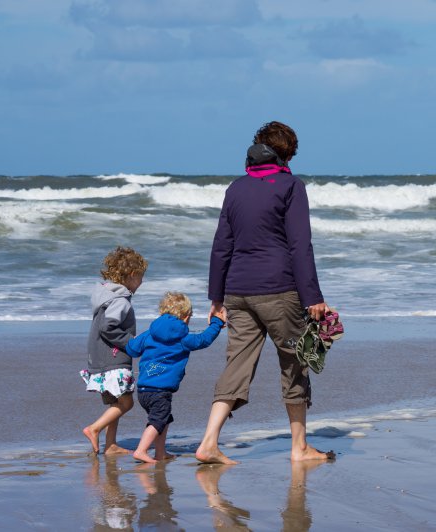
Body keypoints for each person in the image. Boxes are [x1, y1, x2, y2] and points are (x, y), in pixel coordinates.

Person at [195, 120, 333, 464]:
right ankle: (299, 447)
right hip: (279, 290)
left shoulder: (236, 188)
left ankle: (209, 441)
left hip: (237, 292)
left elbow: (220, 246)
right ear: (287, 154)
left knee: (237, 364)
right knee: (295, 362)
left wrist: (215, 297)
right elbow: (300, 246)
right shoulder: (290, 186)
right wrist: (313, 296)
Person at [127, 292, 224, 463]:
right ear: (186, 317)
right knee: (158, 420)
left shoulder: (150, 333)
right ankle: (141, 450)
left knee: (162, 419)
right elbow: (204, 339)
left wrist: (128, 341)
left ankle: (160, 452)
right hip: (160, 391)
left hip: (143, 389)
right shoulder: (183, 338)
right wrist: (217, 322)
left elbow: (133, 349)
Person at [81, 246, 147, 454]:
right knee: (126, 403)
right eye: (141, 278)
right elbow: (108, 327)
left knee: (116, 402)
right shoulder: (120, 301)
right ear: (132, 275)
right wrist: (131, 343)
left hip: (99, 358)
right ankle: (94, 428)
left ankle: (111, 445)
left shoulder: (105, 296)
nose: (142, 283)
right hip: (114, 359)